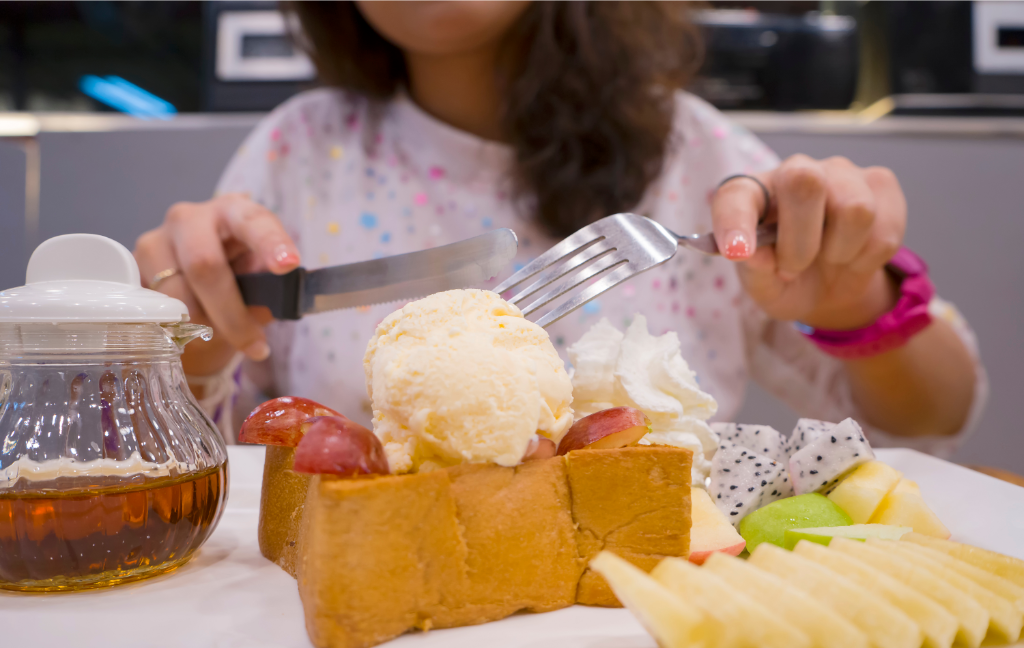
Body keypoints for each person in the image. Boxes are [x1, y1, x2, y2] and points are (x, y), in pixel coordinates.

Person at [134, 1, 983, 456]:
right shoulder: (297, 151)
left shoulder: (694, 155)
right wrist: (188, 344)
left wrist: (854, 299)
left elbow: (937, 412)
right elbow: (218, 457)